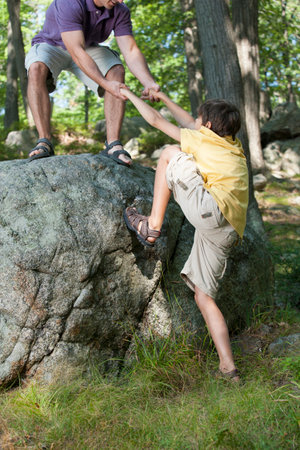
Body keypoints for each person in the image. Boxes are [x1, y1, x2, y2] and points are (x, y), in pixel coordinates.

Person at [121, 87, 249, 381]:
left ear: (206, 127)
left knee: (169, 153)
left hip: (211, 212)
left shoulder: (203, 140)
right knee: (204, 297)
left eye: (199, 119)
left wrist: (130, 94)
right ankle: (229, 369)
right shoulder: (231, 144)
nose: (195, 122)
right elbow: (193, 124)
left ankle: (151, 225)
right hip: (228, 230)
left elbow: (155, 121)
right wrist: (164, 97)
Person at [25, 0, 159, 167]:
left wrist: (148, 82)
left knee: (116, 70)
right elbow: (75, 50)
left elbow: (130, 50)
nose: (120, 1)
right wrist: (105, 84)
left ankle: (113, 144)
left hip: (86, 47)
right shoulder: (70, 3)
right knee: (36, 67)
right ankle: (44, 141)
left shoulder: (120, 10)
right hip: (52, 45)